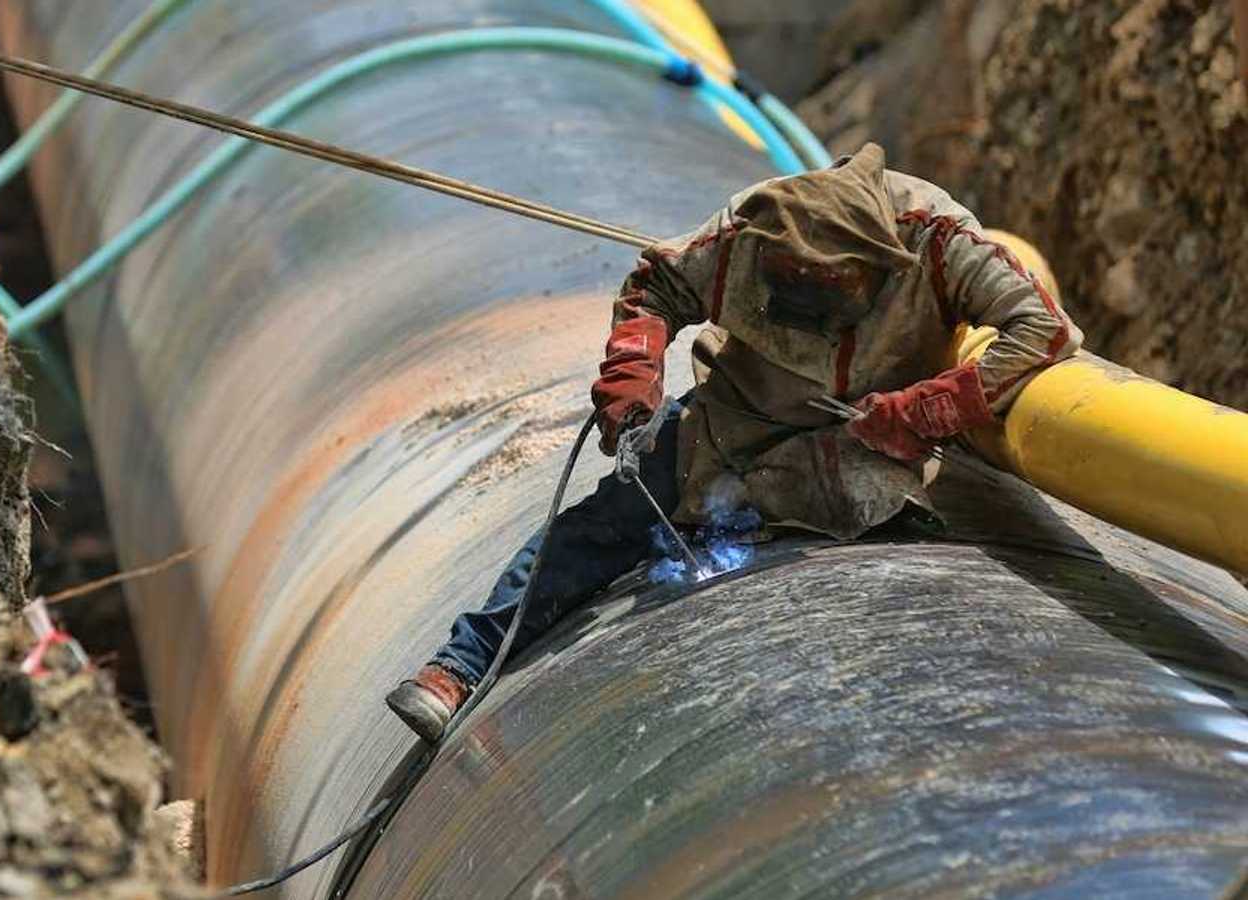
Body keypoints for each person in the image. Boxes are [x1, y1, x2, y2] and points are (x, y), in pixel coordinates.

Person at [385, 144, 1081, 743]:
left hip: (858, 446)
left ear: (877, 269)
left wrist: (926, 409)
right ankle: (461, 664)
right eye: (790, 283)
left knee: (895, 558)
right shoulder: (753, 225)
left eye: (824, 290)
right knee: (603, 525)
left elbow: (1044, 330)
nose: (802, 304)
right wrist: (633, 371)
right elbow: (656, 285)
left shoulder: (937, 239)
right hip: (731, 423)